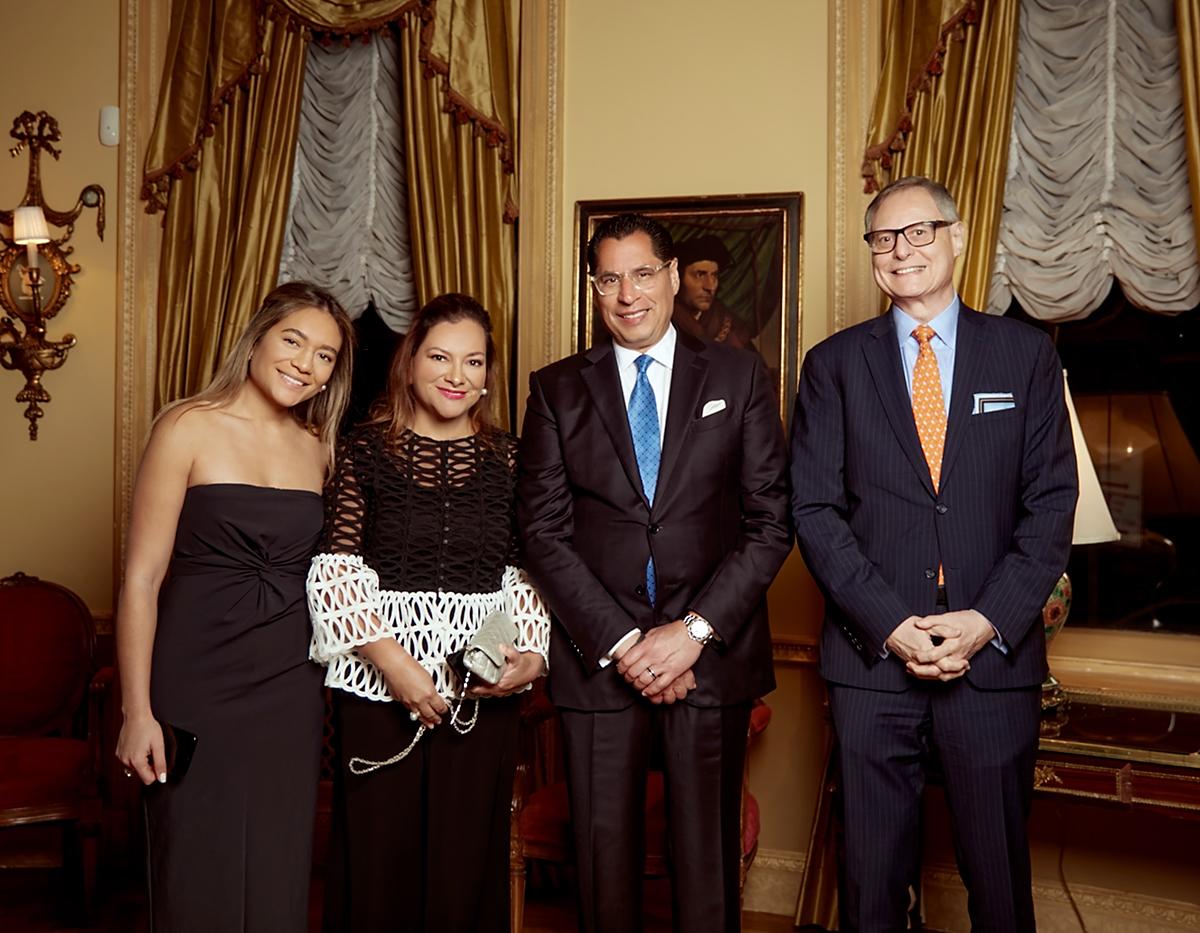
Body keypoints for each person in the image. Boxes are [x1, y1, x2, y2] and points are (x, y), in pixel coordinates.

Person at [790, 175, 1078, 932]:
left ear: (956, 236)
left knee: (1000, 888)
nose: (901, 250)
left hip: (992, 664)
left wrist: (986, 620)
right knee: (871, 891)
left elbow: (1051, 508)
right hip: (873, 665)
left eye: (918, 232)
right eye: (884, 238)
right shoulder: (833, 367)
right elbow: (814, 511)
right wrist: (891, 622)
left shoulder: (1024, 358)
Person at [518, 213, 791, 933]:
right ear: (595, 288)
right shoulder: (556, 390)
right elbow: (541, 532)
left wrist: (692, 633)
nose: (626, 293)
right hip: (599, 661)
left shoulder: (739, 375)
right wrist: (626, 643)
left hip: (712, 658)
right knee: (603, 874)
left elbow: (771, 522)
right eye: (609, 278)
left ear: (672, 278)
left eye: (642, 273)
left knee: (706, 875)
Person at [114, 281, 355, 932]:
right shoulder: (186, 425)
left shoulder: (321, 448)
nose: (306, 363)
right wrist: (137, 710)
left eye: (325, 355)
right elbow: (140, 579)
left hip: (289, 686)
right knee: (193, 861)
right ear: (257, 339)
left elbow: (343, 576)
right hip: (194, 681)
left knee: (278, 865)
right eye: (293, 340)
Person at [306, 293, 551, 933]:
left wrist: (532, 656)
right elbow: (336, 572)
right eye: (440, 357)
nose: (456, 375)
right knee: (379, 859)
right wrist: (398, 669)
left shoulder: (510, 457)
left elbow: (522, 571)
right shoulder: (364, 450)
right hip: (378, 685)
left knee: (464, 861)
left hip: (480, 695)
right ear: (410, 362)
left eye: (473, 362)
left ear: (488, 375)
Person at [670, 234, 757, 350]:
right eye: (700, 275)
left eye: (714, 275)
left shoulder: (729, 325)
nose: (710, 286)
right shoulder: (662, 322)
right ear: (677, 278)